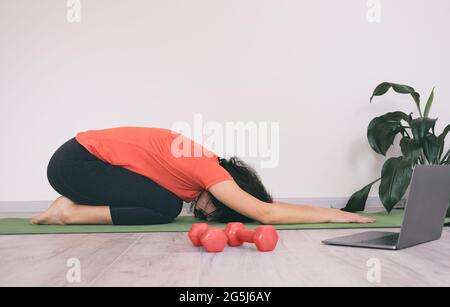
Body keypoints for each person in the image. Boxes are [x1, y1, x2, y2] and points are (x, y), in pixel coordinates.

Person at [31, 126, 375, 225]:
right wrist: (333, 215)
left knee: (165, 202)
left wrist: (325, 212)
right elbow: (265, 212)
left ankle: (71, 203)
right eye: (220, 210)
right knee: (165, 207)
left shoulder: (203, 164)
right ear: (229, 187)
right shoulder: (206, 169)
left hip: (76, 163)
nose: (208, 213)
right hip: (75, 165)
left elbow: (262, 204)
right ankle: (69, 212)